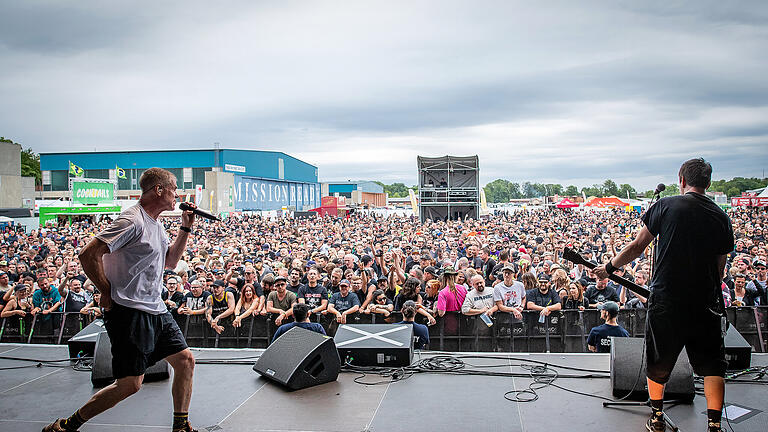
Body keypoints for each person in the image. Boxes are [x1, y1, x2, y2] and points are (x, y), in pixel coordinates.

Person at [43, 167, 199, 432]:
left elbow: (171, 262)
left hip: (155, 309)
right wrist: (106, 291)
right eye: (173, 188)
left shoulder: (157, 225)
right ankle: (68, 425)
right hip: (128, 312)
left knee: (185, 360)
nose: (177, 194)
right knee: (130, 384)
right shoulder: (132, 221)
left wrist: (185, 227)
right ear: (159, 190)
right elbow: (87, 254)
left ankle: (181, 426)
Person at [594, 158, 733, 432]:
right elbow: (720, 267)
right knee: (712, 365)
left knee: (659, 360)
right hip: (705, 303)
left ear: (682, 180)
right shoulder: (721, 216)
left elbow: (637, 246)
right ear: (708, 182)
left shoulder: (665, 205)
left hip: (667, 299)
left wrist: (609, 267)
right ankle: (714, 424)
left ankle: (656, 418)